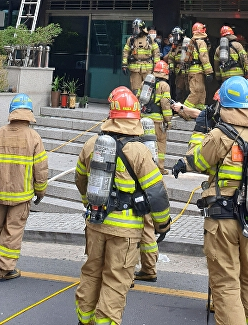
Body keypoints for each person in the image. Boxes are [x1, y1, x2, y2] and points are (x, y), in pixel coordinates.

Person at [171, 76, 248, 325]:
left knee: (226, 283)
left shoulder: (221, 134)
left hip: (223, 222)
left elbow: (196, 160)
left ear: (225, 105)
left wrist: (200, 130)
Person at [74, 86, 171, 325]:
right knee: (115, 281)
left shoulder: (92, 144)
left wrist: (90, 204)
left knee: (91, 273)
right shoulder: (139, 151)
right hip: (125, 232)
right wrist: (162, 225)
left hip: (95, 225)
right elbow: (157, 194)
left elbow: (80, 179)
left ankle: (84, 320)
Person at [0, 93, 48, 281]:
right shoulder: (34, 137)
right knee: (12, 231)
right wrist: (40, 191)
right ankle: (4, 269)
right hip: (21, 197)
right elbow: (41, 169)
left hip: (0, 195)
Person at [138, 59, 173, 174]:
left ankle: (142, 167)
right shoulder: (164, 86)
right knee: (160, 143)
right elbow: (165, 104)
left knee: (144, 142)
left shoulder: (144, 83)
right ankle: (159, 168)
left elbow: (138, 98)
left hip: (143, 118)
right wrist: (168, 120)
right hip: (157, 121)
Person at [178, 22, 213, 118]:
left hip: (194, 70)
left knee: (201, 93)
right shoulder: (200, 42)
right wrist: (209, 72)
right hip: (197, 71)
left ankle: (198, 112)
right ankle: (183, 111)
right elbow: (204, 57)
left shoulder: (193, 42)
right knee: (196, 92)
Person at [122, 18, 161, 93]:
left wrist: (157, 68)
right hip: (135, 69)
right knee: (136, 90)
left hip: (147, 69)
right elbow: (125, 52)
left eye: (137, 29)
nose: (135, 31)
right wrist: (124, 65)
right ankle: (137, 104)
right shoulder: (131, 40)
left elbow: (156, 53)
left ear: (142, 28)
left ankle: (146, 105)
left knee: (147, 90)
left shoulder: (149, 39)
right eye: (134, 29)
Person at [167, 27, 187, 102]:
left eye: (177, 36)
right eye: (174, 36)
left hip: (188, 71)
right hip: (179, 73)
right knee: (178, 91)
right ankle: (179, 108)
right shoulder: (174, 46)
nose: (175, 38)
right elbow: (171, 58)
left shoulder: (188, 43)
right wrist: (171, 68)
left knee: (189, 91)